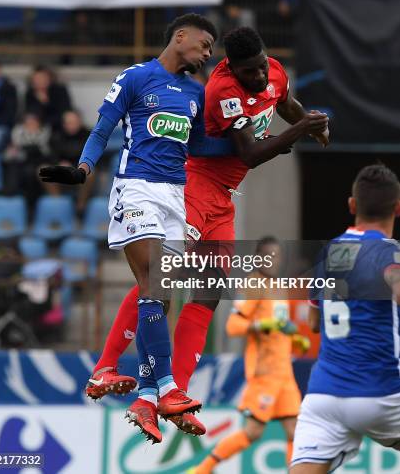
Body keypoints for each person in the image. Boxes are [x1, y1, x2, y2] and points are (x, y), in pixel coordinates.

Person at [81, 26, 329, 434]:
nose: (260, 77)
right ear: (232, 67)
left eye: (263, 67)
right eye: (250, 72)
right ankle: (107, 367)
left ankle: (170, 394)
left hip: (224, 200)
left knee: (209, 292)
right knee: (158, 280)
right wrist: (297, 133)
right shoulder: (221, 89)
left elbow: (284, 100)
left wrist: (309, 122)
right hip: (195, 188)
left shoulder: (274, 73)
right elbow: (248, 153)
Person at [39, 13, 238, 444]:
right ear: (179, 37)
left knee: (161, 296)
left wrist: (253, 140)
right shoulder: (135, 77)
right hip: (137, 190)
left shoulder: (195, 93)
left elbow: (202, 146)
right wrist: (83, 169)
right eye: (204, 45)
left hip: (174, 196)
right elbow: (102, 128)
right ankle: (167, 386)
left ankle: (145, 388)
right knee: (152, 284)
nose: (207, 54)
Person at [290, 164, 400, 473]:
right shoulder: (389, 253)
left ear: (352, 205)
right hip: (382, 392)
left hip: (325, 395)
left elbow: (314, 323)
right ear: (397, 208)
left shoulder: (329, 254)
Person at [192, 237, 310, 473]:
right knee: (253, 432)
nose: (275, 262)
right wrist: (264, 324)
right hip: (264, 373)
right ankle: (203, 469)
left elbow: (280, 326)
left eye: (278, 256)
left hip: (284, 373)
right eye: (270, 256)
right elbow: (233, 326)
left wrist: (295, 338)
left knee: (294, 431)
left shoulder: (279, 288)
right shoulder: (252, 285)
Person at [24, 65, 72, 132]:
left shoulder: (60, 90)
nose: (40, 81)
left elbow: (65, 111)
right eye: (37, 79)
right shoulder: (31, 93)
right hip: (39, 125)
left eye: (42, 78)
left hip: (58, 123)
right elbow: (30, 112)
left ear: (49, 78)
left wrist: (46, 102)